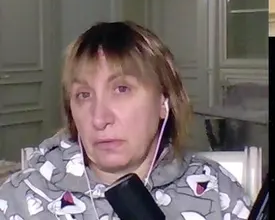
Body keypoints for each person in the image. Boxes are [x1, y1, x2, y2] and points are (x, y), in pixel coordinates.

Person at [0, 21, 254, 220]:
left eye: (122, 89)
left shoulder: (217, 191)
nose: (99, 119)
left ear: (164, 101)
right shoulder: (21, 197)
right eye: (84, 95)